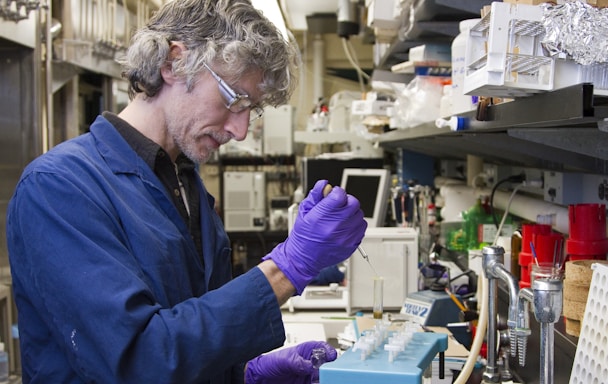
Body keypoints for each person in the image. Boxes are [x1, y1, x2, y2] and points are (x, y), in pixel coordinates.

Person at [5, 0, 367, 383]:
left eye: (252, 109)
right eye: (234, 100)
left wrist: (244, 372)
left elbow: (192, 327)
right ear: (174, 63)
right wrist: (286, 269)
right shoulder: (60, 188)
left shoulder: (184, 182)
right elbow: (138, 361)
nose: (240, 130)